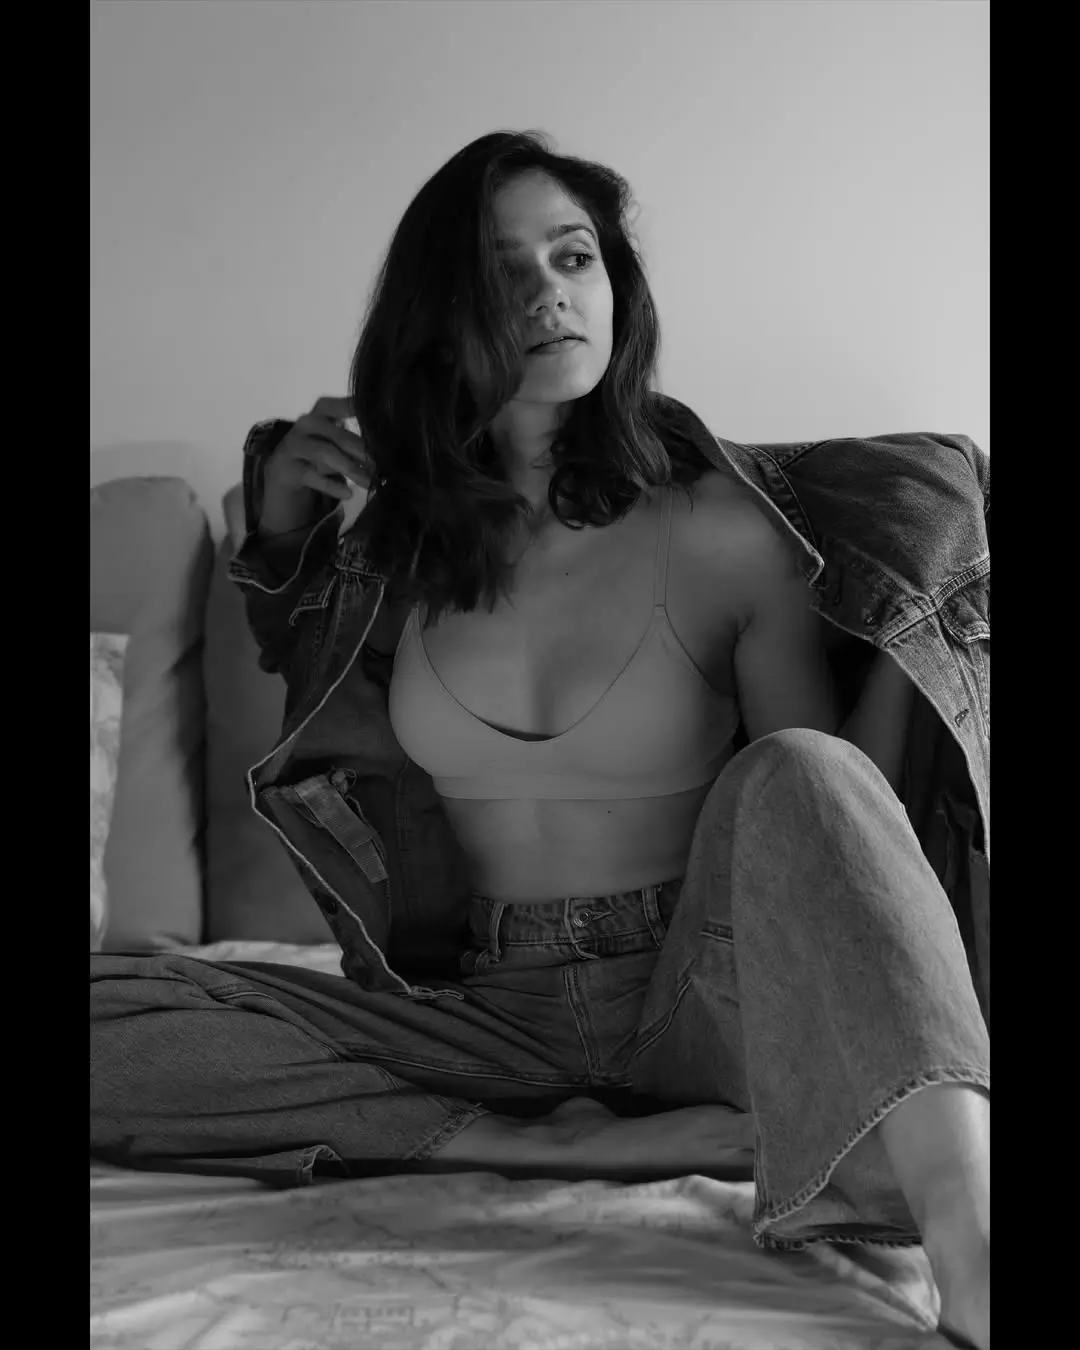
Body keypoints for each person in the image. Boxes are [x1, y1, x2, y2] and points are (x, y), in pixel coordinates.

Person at [90, 131, 989, 1349]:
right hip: (479, 1011)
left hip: (699, 997)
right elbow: (306, 692)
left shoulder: (728, 533)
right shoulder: (382, 553)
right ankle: (555, 1144)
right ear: (436, 318)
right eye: (499, 273)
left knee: (804, 767)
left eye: (573, 258)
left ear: (616, 285)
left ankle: (970, 1244)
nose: (548, 295)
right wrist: (284, 541)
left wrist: (916, 635)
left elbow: (826, 835)